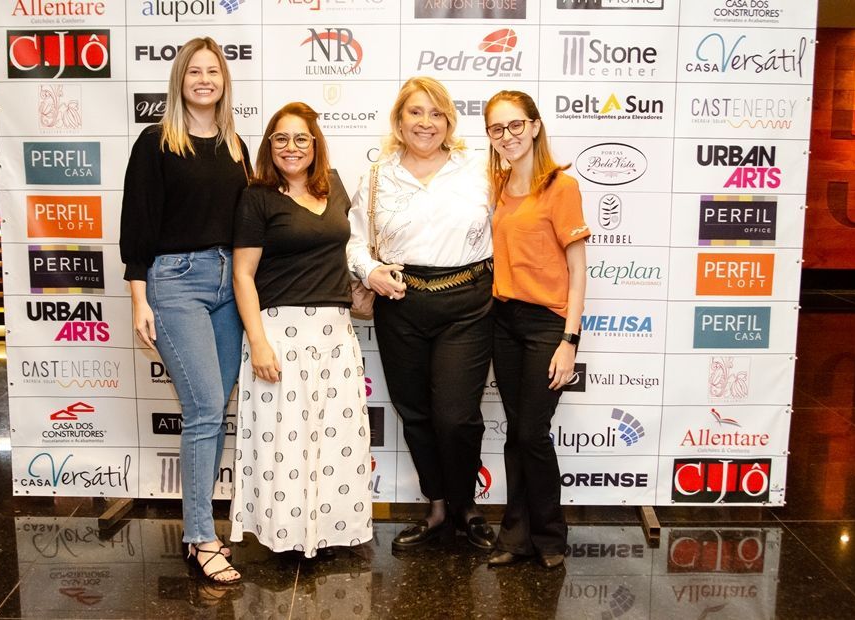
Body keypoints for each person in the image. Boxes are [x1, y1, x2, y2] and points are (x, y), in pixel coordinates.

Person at [119, 37, 250, 583]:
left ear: (223, 81)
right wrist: (138, 297)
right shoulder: (156, 142)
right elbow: (137, 221)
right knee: (201, 410)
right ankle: (200, 536)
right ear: (180, 81)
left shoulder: (235, 145)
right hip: (175, 283)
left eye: (212, 72)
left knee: (213, 409)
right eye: (193, 71)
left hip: (228, 285)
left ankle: (200, 529)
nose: (204, 79)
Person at [347, 76, 496, 551]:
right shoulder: (376, 177)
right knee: (415, 412)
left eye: (436, 113)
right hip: (401, 303)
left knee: (456, 416)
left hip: (468, 302)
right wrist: (369, 271)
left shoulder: (480, 170)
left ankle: (466, 506)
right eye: (415, 112)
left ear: (449, 121)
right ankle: (436, 508)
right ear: (398, 120)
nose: (425, 123)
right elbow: (353, 238)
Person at [229, 102, 373, 558]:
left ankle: (327, 532)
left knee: (335, 439)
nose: (291, 148)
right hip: (280, 334)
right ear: (269, 146)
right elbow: (243, 275)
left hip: (334, 334)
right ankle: (287, 535)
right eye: (281, 139)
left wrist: (360, 290)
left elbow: (344, 252)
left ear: (316, 145)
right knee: (285, 441)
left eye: (301, 139)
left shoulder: (336, 189)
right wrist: (258, 343)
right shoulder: (257, 197)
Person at [482, 91, 589, 569]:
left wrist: (569, 341)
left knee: (532, 432)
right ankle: (515, 536)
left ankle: (550, 536)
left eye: (515, 125)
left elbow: (579, 266)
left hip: (549, 324)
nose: (507, 136)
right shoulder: (497, 186)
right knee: (516, 435)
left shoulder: (560, 187)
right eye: (496, 128)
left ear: (536, 126)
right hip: (504, 321)